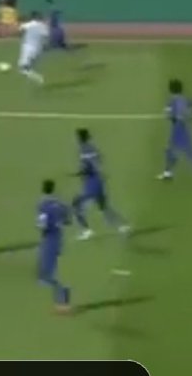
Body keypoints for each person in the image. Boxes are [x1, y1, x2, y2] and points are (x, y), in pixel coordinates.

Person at [72, 128, 130, 240]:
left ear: (80, 138)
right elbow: (99, 161)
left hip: (91, 183)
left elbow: (89, 166)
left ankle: (86, 231)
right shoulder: (92, 147)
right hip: (98, 181)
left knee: (76, 205)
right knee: (104, 207)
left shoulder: (84, 149)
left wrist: (82, 172)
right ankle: (123, 225)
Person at [158, 79, 192, 180]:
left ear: (171, 89)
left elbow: (169, 115)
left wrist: (170, 116)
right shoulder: (186, 99)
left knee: (175, 150)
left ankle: (168, 173)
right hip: (184, 126)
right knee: (185, 150)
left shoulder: (171, 100)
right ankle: (168, 172)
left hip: (178, 127)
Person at [37, 179, 72, 313]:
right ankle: (62, 300)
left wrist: (42, 227)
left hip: (49, 239)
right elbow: (68, 220)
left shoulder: (43, 205)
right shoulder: (60, 203)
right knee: (54, 271)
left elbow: (42, 224)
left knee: (48, 274)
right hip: (59, 237)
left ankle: (63, 302)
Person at [17, 11, 49, 85]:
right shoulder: (44, 26)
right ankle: (31, 82)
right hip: (39, 50)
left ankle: (39, 78)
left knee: (22, 69)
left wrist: (21, 26)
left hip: (28, 49)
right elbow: (46, 37)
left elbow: (20, 31)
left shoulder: (28, 24)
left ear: (32, 17)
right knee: (28, 68)